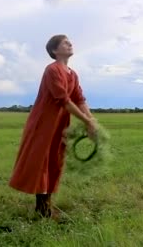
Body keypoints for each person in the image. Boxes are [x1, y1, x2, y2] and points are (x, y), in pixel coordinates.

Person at [8, 34, 97, 218]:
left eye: (69, 42)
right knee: (42, 160)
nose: (70, 44)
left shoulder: (73, 74)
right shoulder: (52, 70)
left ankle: (46, 206)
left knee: (54, 160)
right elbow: (63, 100)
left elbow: (79, 98)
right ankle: (43, 209)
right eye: (65, 43)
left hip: (60, 124)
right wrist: (86, 121)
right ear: (55, 50)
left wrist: (91, 119)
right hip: (44, 122)